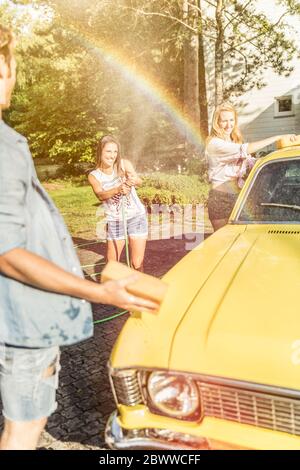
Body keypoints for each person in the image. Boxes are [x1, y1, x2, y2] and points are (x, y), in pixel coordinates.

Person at [0, 25, 159, 450]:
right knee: (24, 426)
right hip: (24, 322)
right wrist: (102, 294)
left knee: (25, 422)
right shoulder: (5, 146)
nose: (13, 72)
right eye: (11, 62)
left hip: (23, 318)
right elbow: (7, 251)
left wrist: (130, 178)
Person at [206, 102, 296, 232]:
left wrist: (274, 160)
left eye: (231, 120)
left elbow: (250, 162)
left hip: (240, 198)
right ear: (216, 122)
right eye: (224, 121)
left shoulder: (232, 141)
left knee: (242, 241)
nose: (228, 125)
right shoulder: (214, 144)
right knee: (224, 242)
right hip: (221, 199)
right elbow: (245, 149)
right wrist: (278, 137)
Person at [88, 136, 148, 271]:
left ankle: (137, 291)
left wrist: (133, 179)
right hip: (115, 220)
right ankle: (111, 291)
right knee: (112, 265)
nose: (112, 155)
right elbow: (100, 195)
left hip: (136, 216)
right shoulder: (94, 175)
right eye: (108, 151)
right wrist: (118, 189)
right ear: (100, 152)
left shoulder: (124, 164)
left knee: (136, 264)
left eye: (115, 152)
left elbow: (139, 181)